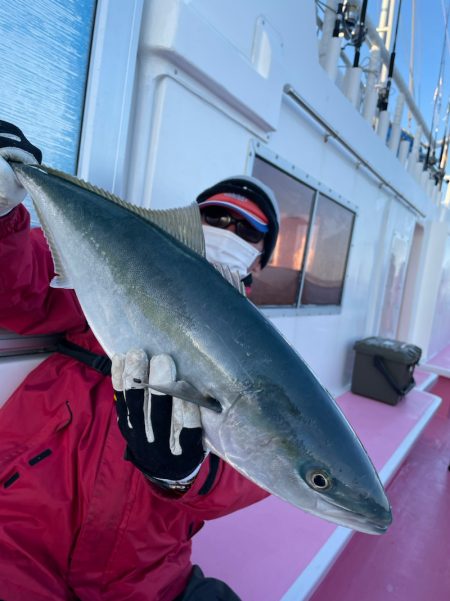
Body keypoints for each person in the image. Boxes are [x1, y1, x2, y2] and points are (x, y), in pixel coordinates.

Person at [0, 120, 280, 601]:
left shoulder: (265, 357)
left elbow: (264, 465)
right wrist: (4, 214)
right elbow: (18, 286)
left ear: (259, 260)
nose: (228, 231)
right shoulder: (117, 273)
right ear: (191, 225)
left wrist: (186, 472)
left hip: (143, 569)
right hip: (19, 529)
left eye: (247, 230)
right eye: (215, 217)